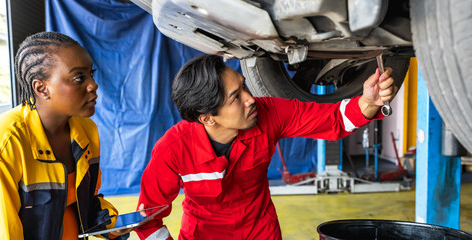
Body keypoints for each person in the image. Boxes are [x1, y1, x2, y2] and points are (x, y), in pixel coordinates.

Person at [135, 54, 398, 239]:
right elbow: (147, 220)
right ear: (207, 117)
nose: (251, 99)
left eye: (244, 87)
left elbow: (332, 120)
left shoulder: (267, 112)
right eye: (235, 97)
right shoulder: (173, 149)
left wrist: (367, 103)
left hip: (261, 232)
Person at [0, 32, 131, 240]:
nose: (93, 85)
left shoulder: (86, 131)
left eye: (91, 74)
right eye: (79, 78)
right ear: (41, 88)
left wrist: (111, 224)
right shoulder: (1, 144)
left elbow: (83, 202)